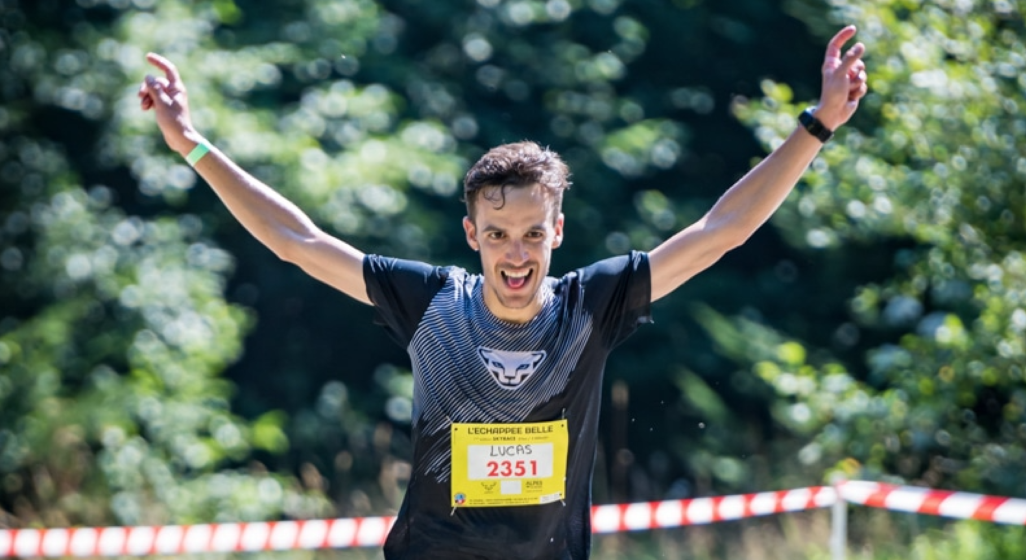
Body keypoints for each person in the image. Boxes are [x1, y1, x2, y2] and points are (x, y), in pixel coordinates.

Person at [139, 25, 867, 560]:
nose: (514, 255)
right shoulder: (431, 304)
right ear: (470, 233)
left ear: (557, 229)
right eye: (497, 235)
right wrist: (192, 145)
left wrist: (818, 125)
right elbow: (297, 241)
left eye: (530, 234)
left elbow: (721, 230)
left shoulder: (593, 305)